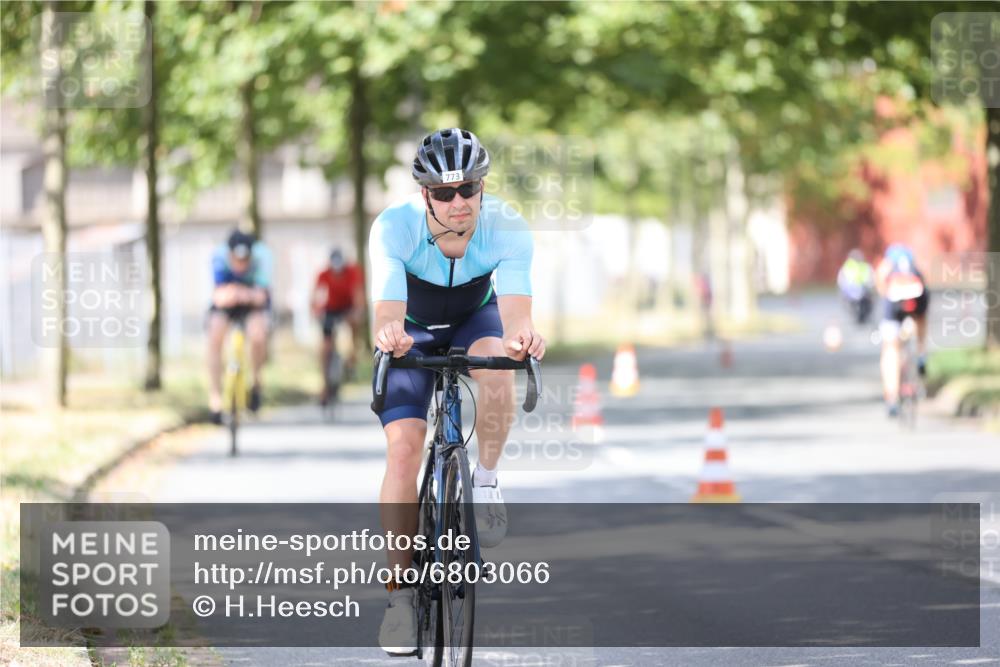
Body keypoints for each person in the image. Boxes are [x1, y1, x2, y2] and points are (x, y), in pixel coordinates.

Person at [370, 128, 545, 655]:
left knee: (498, 370)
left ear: (482, 187)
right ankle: (399, 599)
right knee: (403, 447)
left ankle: (486, 480)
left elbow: (515, 315)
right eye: (444, 193)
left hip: (474, 316)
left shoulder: (508, 227)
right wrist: (390, 335)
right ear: (423, 193)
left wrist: (524, 337)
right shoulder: (393, 227)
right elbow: (387, 313)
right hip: (413, 325)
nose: (458, 202)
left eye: (468, 189)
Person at [206, 229, 273, 425]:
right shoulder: (218, 257)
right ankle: (215, 398)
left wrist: (240, 293)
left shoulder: (263, 258)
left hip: (252, 304)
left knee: (258, 333)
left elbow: (261, 296)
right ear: (229, 254)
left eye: (245, 260)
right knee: (214, 333)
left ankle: (256, 382)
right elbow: (219, 296)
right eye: (237, 259)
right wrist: (240, 293)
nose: (241, 264)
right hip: (229, 302)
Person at [875, 243, 929, 418]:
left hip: (894, 299)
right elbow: (924, 279)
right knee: (921, 321)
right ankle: (921, 354)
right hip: (918, 296)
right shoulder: (914, 264)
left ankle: (891, 398)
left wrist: (883, 293)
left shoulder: (889, 262)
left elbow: (880, 278)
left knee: (890, 349)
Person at [311, 248, 364, 405]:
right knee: (325, 346)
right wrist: (315, 310)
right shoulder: (323, 274)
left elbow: (358, 295)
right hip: (331, 309)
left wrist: (357, 312)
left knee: (353, 329)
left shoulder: (353, 272)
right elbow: (316, 295)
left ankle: (351, 360)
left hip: (348, 308)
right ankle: (324, 384)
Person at [837, 249, 875, 325]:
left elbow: (840, 280)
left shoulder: (847, 266)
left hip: (860, 291)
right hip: (855, 292)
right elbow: (871, 279)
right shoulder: (863, 266)